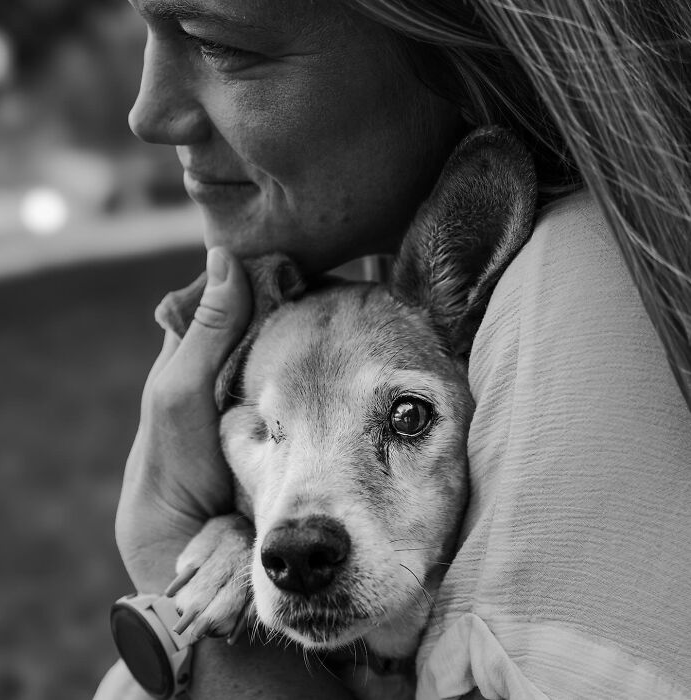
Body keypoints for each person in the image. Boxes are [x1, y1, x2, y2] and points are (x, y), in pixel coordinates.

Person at [95, 1, 691, 698]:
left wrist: (163, 550)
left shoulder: (575, 298)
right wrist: (223, 538)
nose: (144, 114)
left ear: (439, 40)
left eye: (219, 44)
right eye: (266, 432)